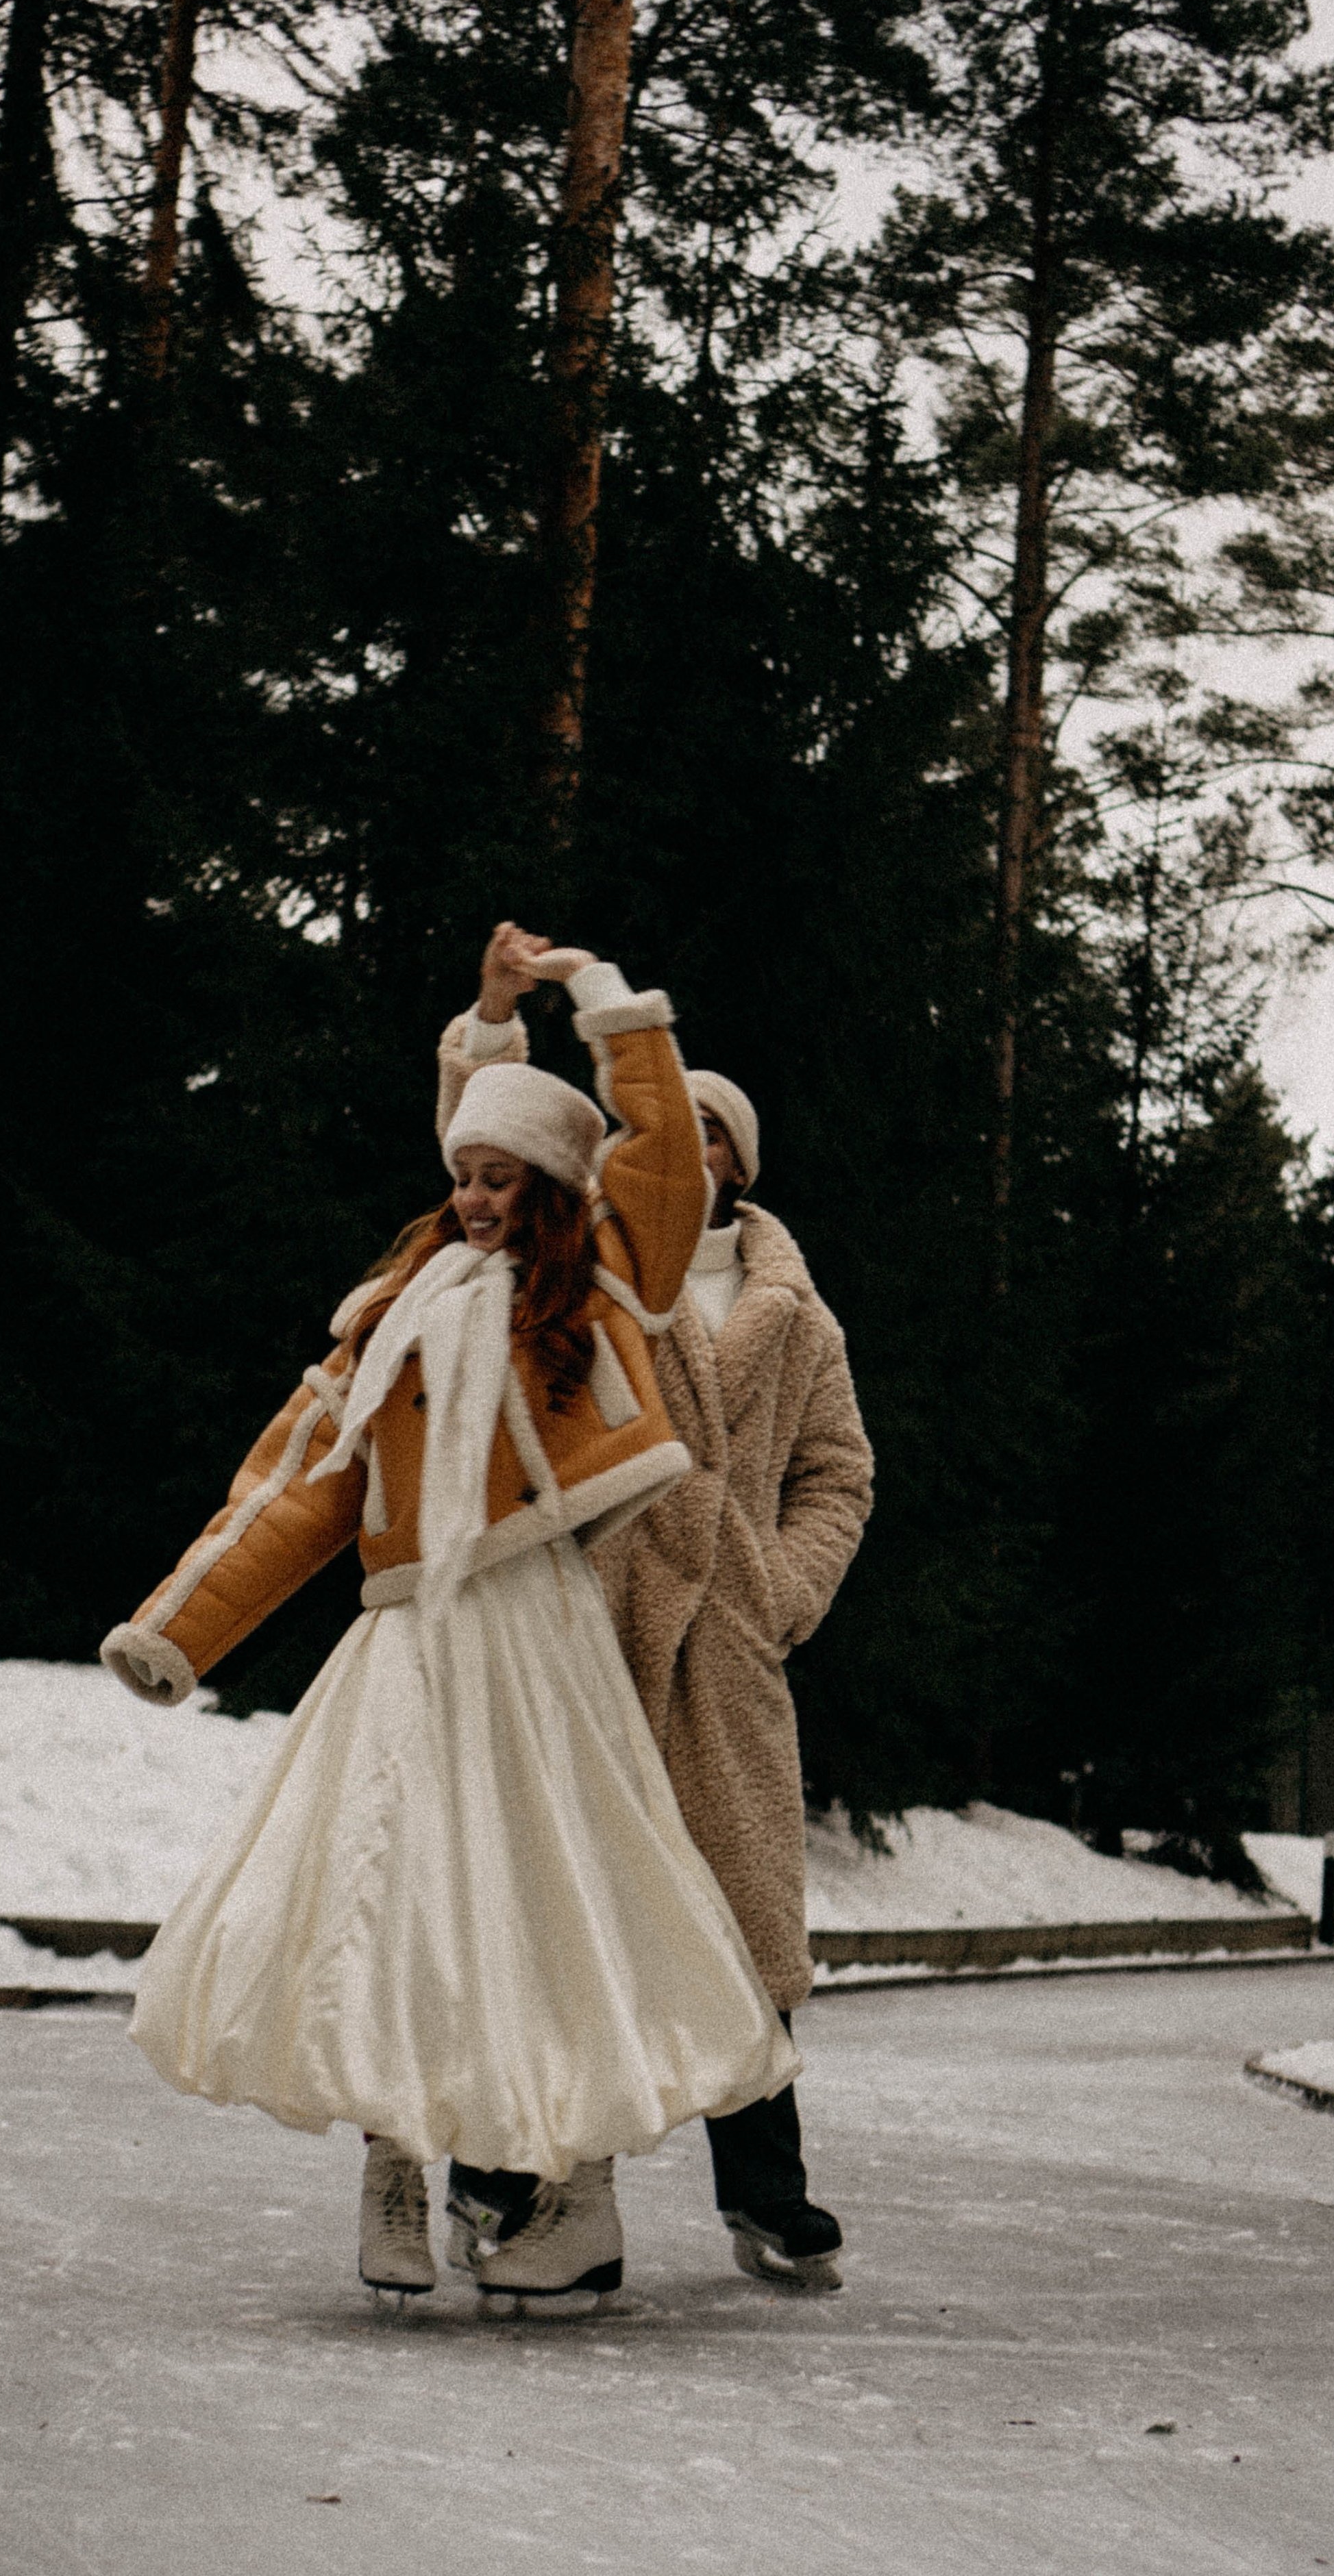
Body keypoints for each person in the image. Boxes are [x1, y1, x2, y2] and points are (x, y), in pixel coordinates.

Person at [100, 931, 797, 2311]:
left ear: (549, 1188)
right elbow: (301, 1483)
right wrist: (180, 1627)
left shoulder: (599, 1287)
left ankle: (576, 2203)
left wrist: (594, 1000)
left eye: (500, 1178)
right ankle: (395, 2169)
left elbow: (655, 1147)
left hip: (537, 1642)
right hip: (409, 1645)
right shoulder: (393, 1316)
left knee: (552, 1907)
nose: (474, 1198)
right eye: (462, 1175)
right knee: (385, 1896)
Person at [439, 938, 872, 2290]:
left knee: (737, 1920)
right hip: (590, 1624)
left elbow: (836, 1473)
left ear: (738, 1160)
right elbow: (481, 1152)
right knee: (564, 1898)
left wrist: (779, 1595)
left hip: (722, 1647)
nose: (687, 1145)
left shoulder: (796, 1318)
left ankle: (766, 2192)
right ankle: (509, 2178)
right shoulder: (604, 1257)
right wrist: (492, 1027)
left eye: (706, 1133)